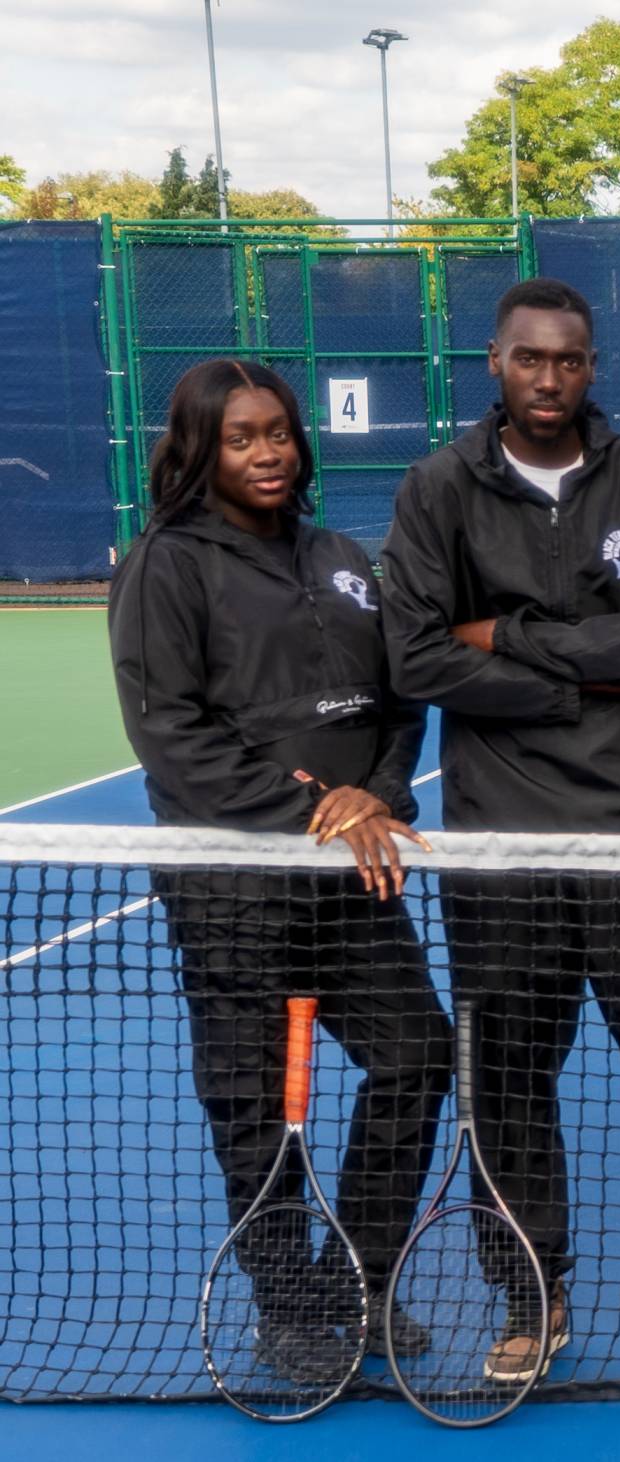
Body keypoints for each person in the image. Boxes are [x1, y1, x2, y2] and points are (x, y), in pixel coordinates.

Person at [382, 276, 620, 1382]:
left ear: (592, 368)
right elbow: (415, 656)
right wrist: (572, 678)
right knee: (507, 1079)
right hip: (506, 846)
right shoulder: (438, 488)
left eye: (571, 361)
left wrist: (509, 638)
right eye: (530, 359)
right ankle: (530, 1292)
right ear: (494, 361)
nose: (551, 379)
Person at [110, 359, 451, 1381]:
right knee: (255, 1109)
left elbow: (401, 701)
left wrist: (381, 796)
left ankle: (360, 1280)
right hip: (234, 891)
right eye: (240, 437)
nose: (267, 452)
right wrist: (313, 810)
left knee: (418, 1056)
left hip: (355, 876)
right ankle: (290, 1307)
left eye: (278, 433)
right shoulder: (162, 564)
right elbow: (171, 736)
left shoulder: (343, 554)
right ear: (198, 450)